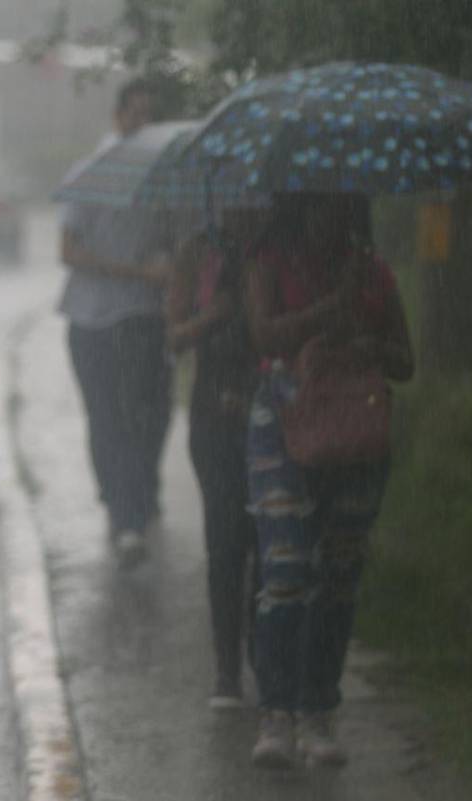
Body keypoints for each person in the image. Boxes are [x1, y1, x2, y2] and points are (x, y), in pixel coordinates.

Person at [242, 193, 414, 769]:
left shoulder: (373, 270)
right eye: (316, 205)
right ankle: (276, 714)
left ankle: (318, 711)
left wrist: (363, 339)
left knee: (339, 572)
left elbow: (404, 360)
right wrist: (325, 313)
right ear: (294, 206)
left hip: (355, 429)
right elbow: (263, 337)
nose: (328, 218)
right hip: (285, 423)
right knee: (287, 568)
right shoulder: (269, 261)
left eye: (338, 206)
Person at [58, 78, 173, 566]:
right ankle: (125, 513)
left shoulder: (168, 180)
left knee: (152, 413)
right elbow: (67, 250)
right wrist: (134, 271)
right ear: (117, 116)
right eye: (134, 115)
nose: (140, 125)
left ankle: (137, 493)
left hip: (146, 317)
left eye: (149, 117)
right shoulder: (90, 175)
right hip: (94, 318)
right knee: (110, 418)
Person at [165, 208, 266, 709]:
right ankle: (227, 670)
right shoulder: (197, 253)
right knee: (225, 543)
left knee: (269, 542)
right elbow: (174, 336)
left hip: (275, 415)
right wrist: (216, 313)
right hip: (214, 419)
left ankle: (264, 658)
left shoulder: (278, 250)